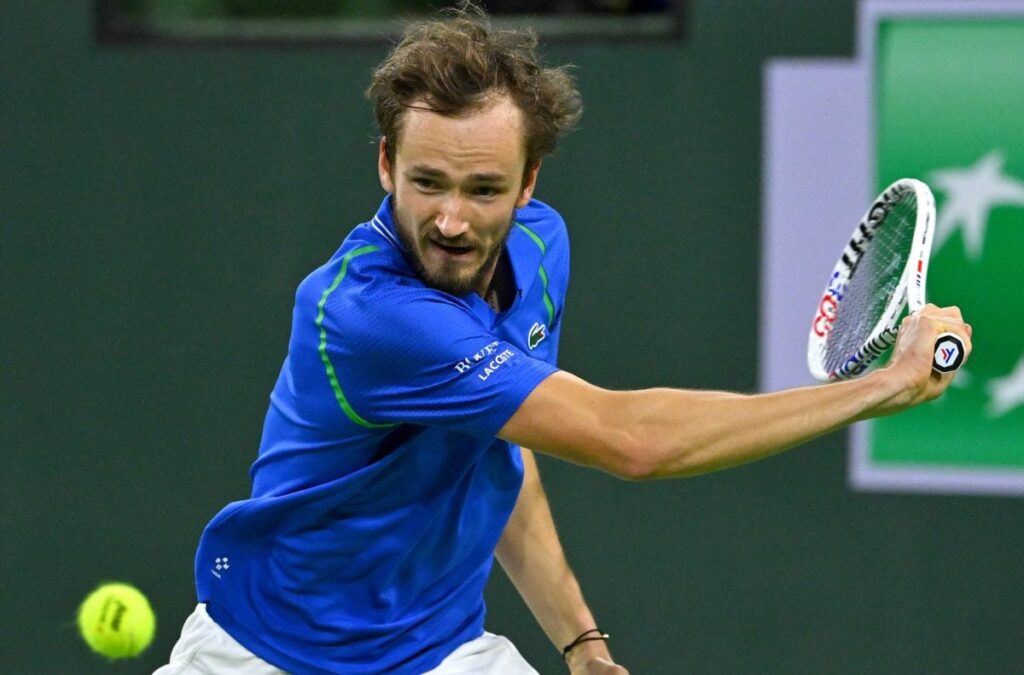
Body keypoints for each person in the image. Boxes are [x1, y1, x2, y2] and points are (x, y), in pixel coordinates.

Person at [155, 3, 972, 674]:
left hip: (436, 652)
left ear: (529, 182)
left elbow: (505, 447)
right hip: (267, 655)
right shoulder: (368, 313)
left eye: (484, 190)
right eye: (427, 182)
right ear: (384, 165)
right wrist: (881, 387)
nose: (450, 219)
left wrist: (580, 641)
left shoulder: (541, 248)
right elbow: (632, 441)